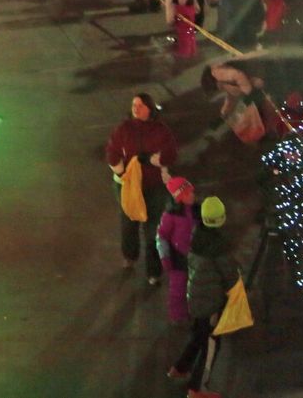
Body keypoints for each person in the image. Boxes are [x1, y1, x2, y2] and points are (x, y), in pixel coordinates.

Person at [104, 92, 179, 285]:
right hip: (128, 187)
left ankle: (153, 271)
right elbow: (112, 152)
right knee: (129, 225)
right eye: (133, 105)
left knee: (153, 231)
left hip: (153, 188)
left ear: (149, 109)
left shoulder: (161, 131)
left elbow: (170, 155)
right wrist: (122, 173)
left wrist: (153, 160)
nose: (136, 108)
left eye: (140, 105)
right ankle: (130, 256)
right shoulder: (124, 129)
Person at [168, 197, 236, 396]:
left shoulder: (196, 238)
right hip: (212, 304)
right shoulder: (220, 246)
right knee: (211, 343)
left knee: (198, 335)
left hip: (196, 298)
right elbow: (229, 275)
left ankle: (180, 368)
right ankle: (198, 388)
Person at [157, 177, 200, 324]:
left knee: (194, 286)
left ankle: (191, 310)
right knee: (178, 289)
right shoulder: (170, 216)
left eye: (192, 192)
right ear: (179, 198)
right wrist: (165, 257)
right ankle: (178, 315)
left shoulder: (196, 210)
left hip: (194, 256)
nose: (192, 195)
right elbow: (162, 237)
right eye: (188, 194)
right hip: (178, 258)